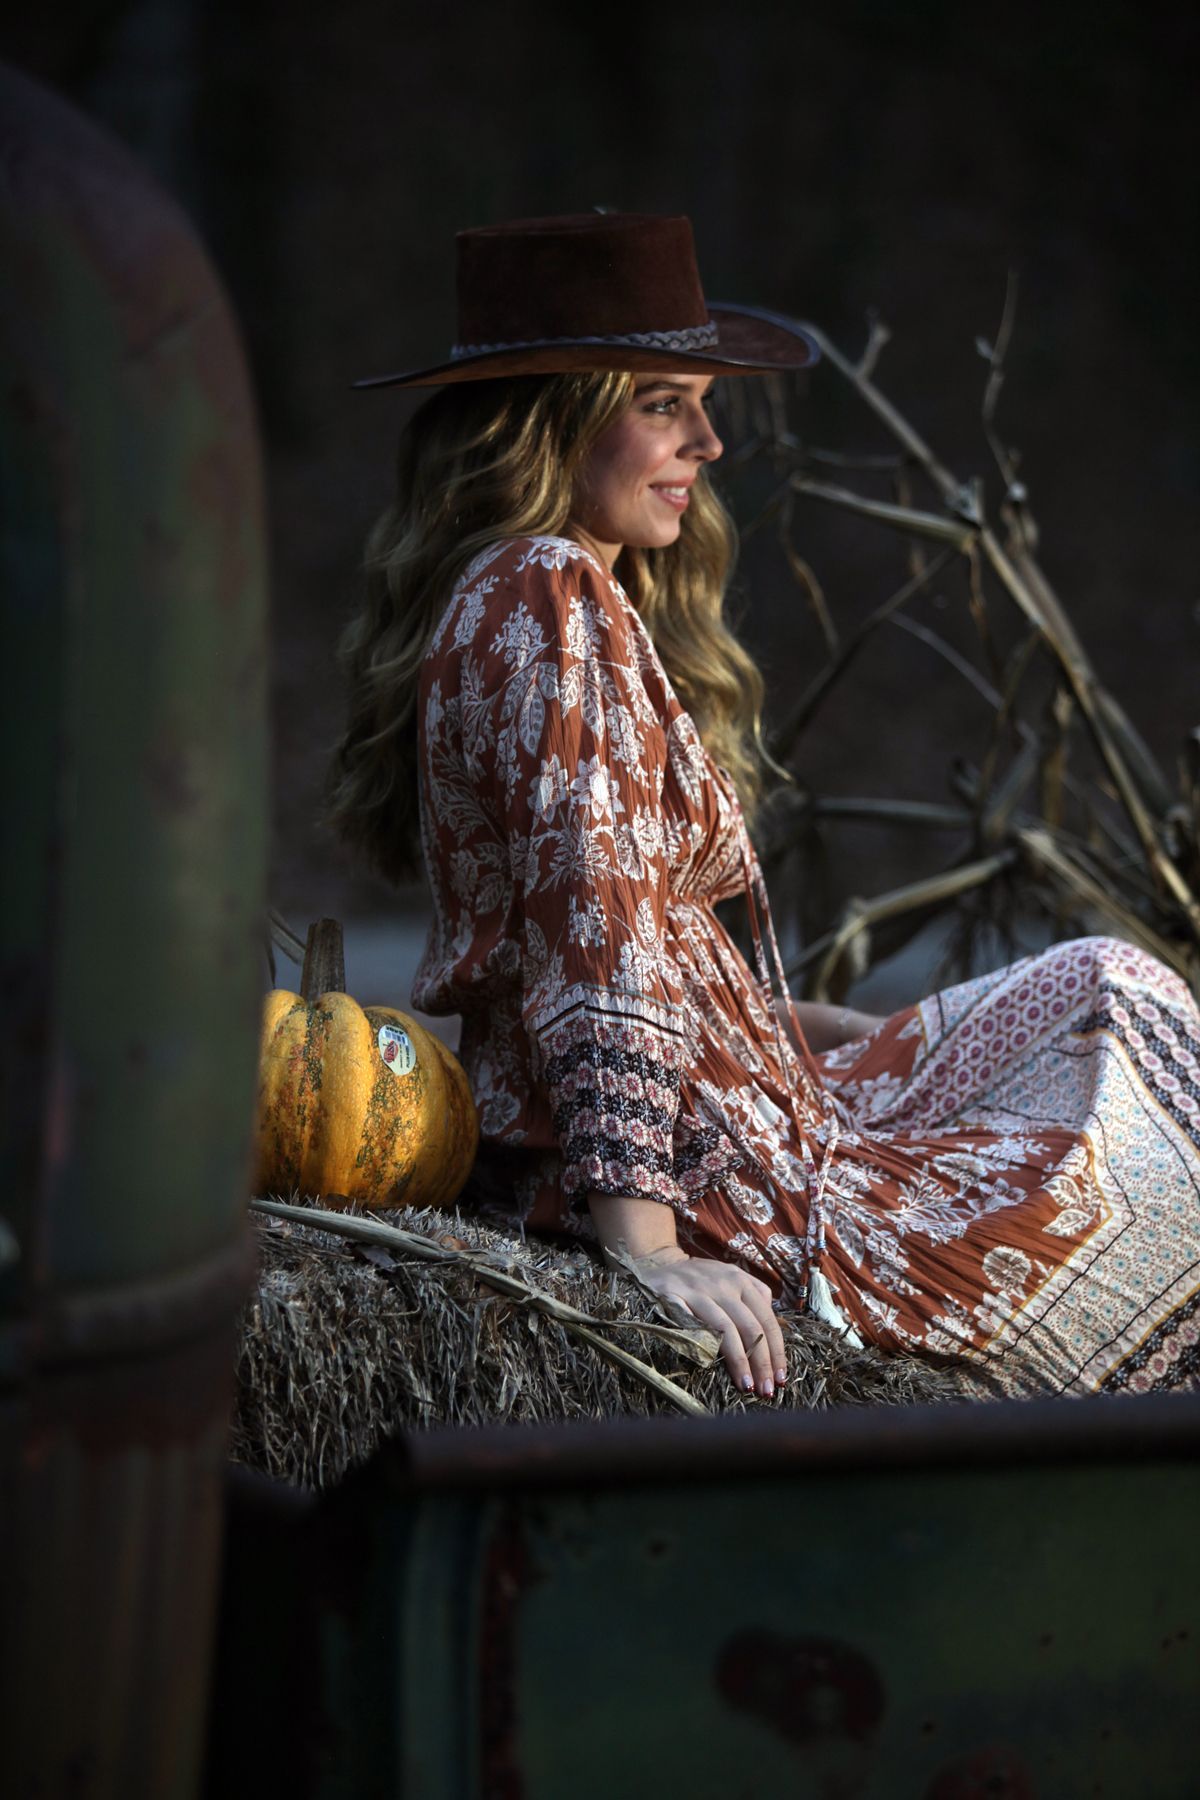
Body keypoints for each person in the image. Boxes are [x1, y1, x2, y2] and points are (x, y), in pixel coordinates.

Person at [331, 213, 1200, 1402]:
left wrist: (774, 1018)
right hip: (719, 1180)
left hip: (744, 1116)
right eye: (664, 403)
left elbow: (598, 917)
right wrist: (645, 1247)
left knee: (1104, 990)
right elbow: (600, 939)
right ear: (552, 420)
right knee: (1155, 1114)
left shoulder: (527, 594)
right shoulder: (544, 591)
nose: (710, 439)